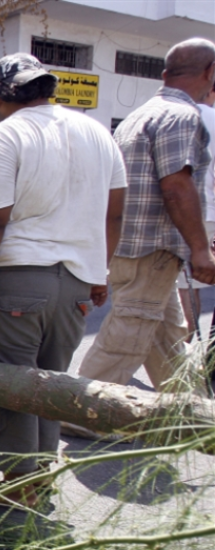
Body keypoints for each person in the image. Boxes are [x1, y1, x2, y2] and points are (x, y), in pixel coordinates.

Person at [0, 53, 127, 508]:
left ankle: (21, 487)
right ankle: (32, 480)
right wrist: (99, 270)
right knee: (49, 383)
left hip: (15, 282)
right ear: (47, 89)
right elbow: (114, 211)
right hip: (76, 286)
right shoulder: (98, 133)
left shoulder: (6, 136)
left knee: (6, 384)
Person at [78, 39, 215, 392]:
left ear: (165, 74)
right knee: (128, 332)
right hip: (152, 249)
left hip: (129, 246)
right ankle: (78, 412)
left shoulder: (136, 117)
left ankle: (188, 414)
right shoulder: (183, 116)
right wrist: (201, 249)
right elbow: (176, 186)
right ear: (210, 73)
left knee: (166, 335)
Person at [175, 86, 215, 338]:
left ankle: (189, 346)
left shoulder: (185, 115)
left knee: (187, 286)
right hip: (211, 213)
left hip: (191, 213)